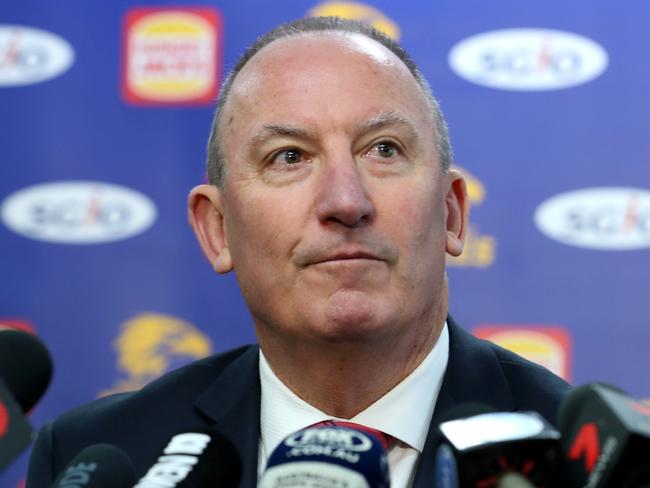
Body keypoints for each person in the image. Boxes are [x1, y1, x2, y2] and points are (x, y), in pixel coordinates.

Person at [27, 17, 569, 487]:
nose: (345, 201)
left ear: (451, 213)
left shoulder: (589, 459)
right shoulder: (102, 456)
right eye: (289, 156)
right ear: (217, 229)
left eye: (383, 149)